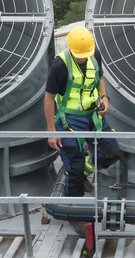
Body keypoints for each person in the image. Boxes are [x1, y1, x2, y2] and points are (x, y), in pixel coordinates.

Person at [44, 26, 121, 200]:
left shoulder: (94, 54)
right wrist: (51, 133)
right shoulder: (59, 66)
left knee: (112, 151)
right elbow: (48, 99)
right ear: (70, 48)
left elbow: (99, 78)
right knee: (74, 168)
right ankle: (73, 210)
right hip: (69, 120)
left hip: (94, 116)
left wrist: (105, 98)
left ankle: (82, 171)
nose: (82, 57)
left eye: (85, 54)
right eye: (78, 54)